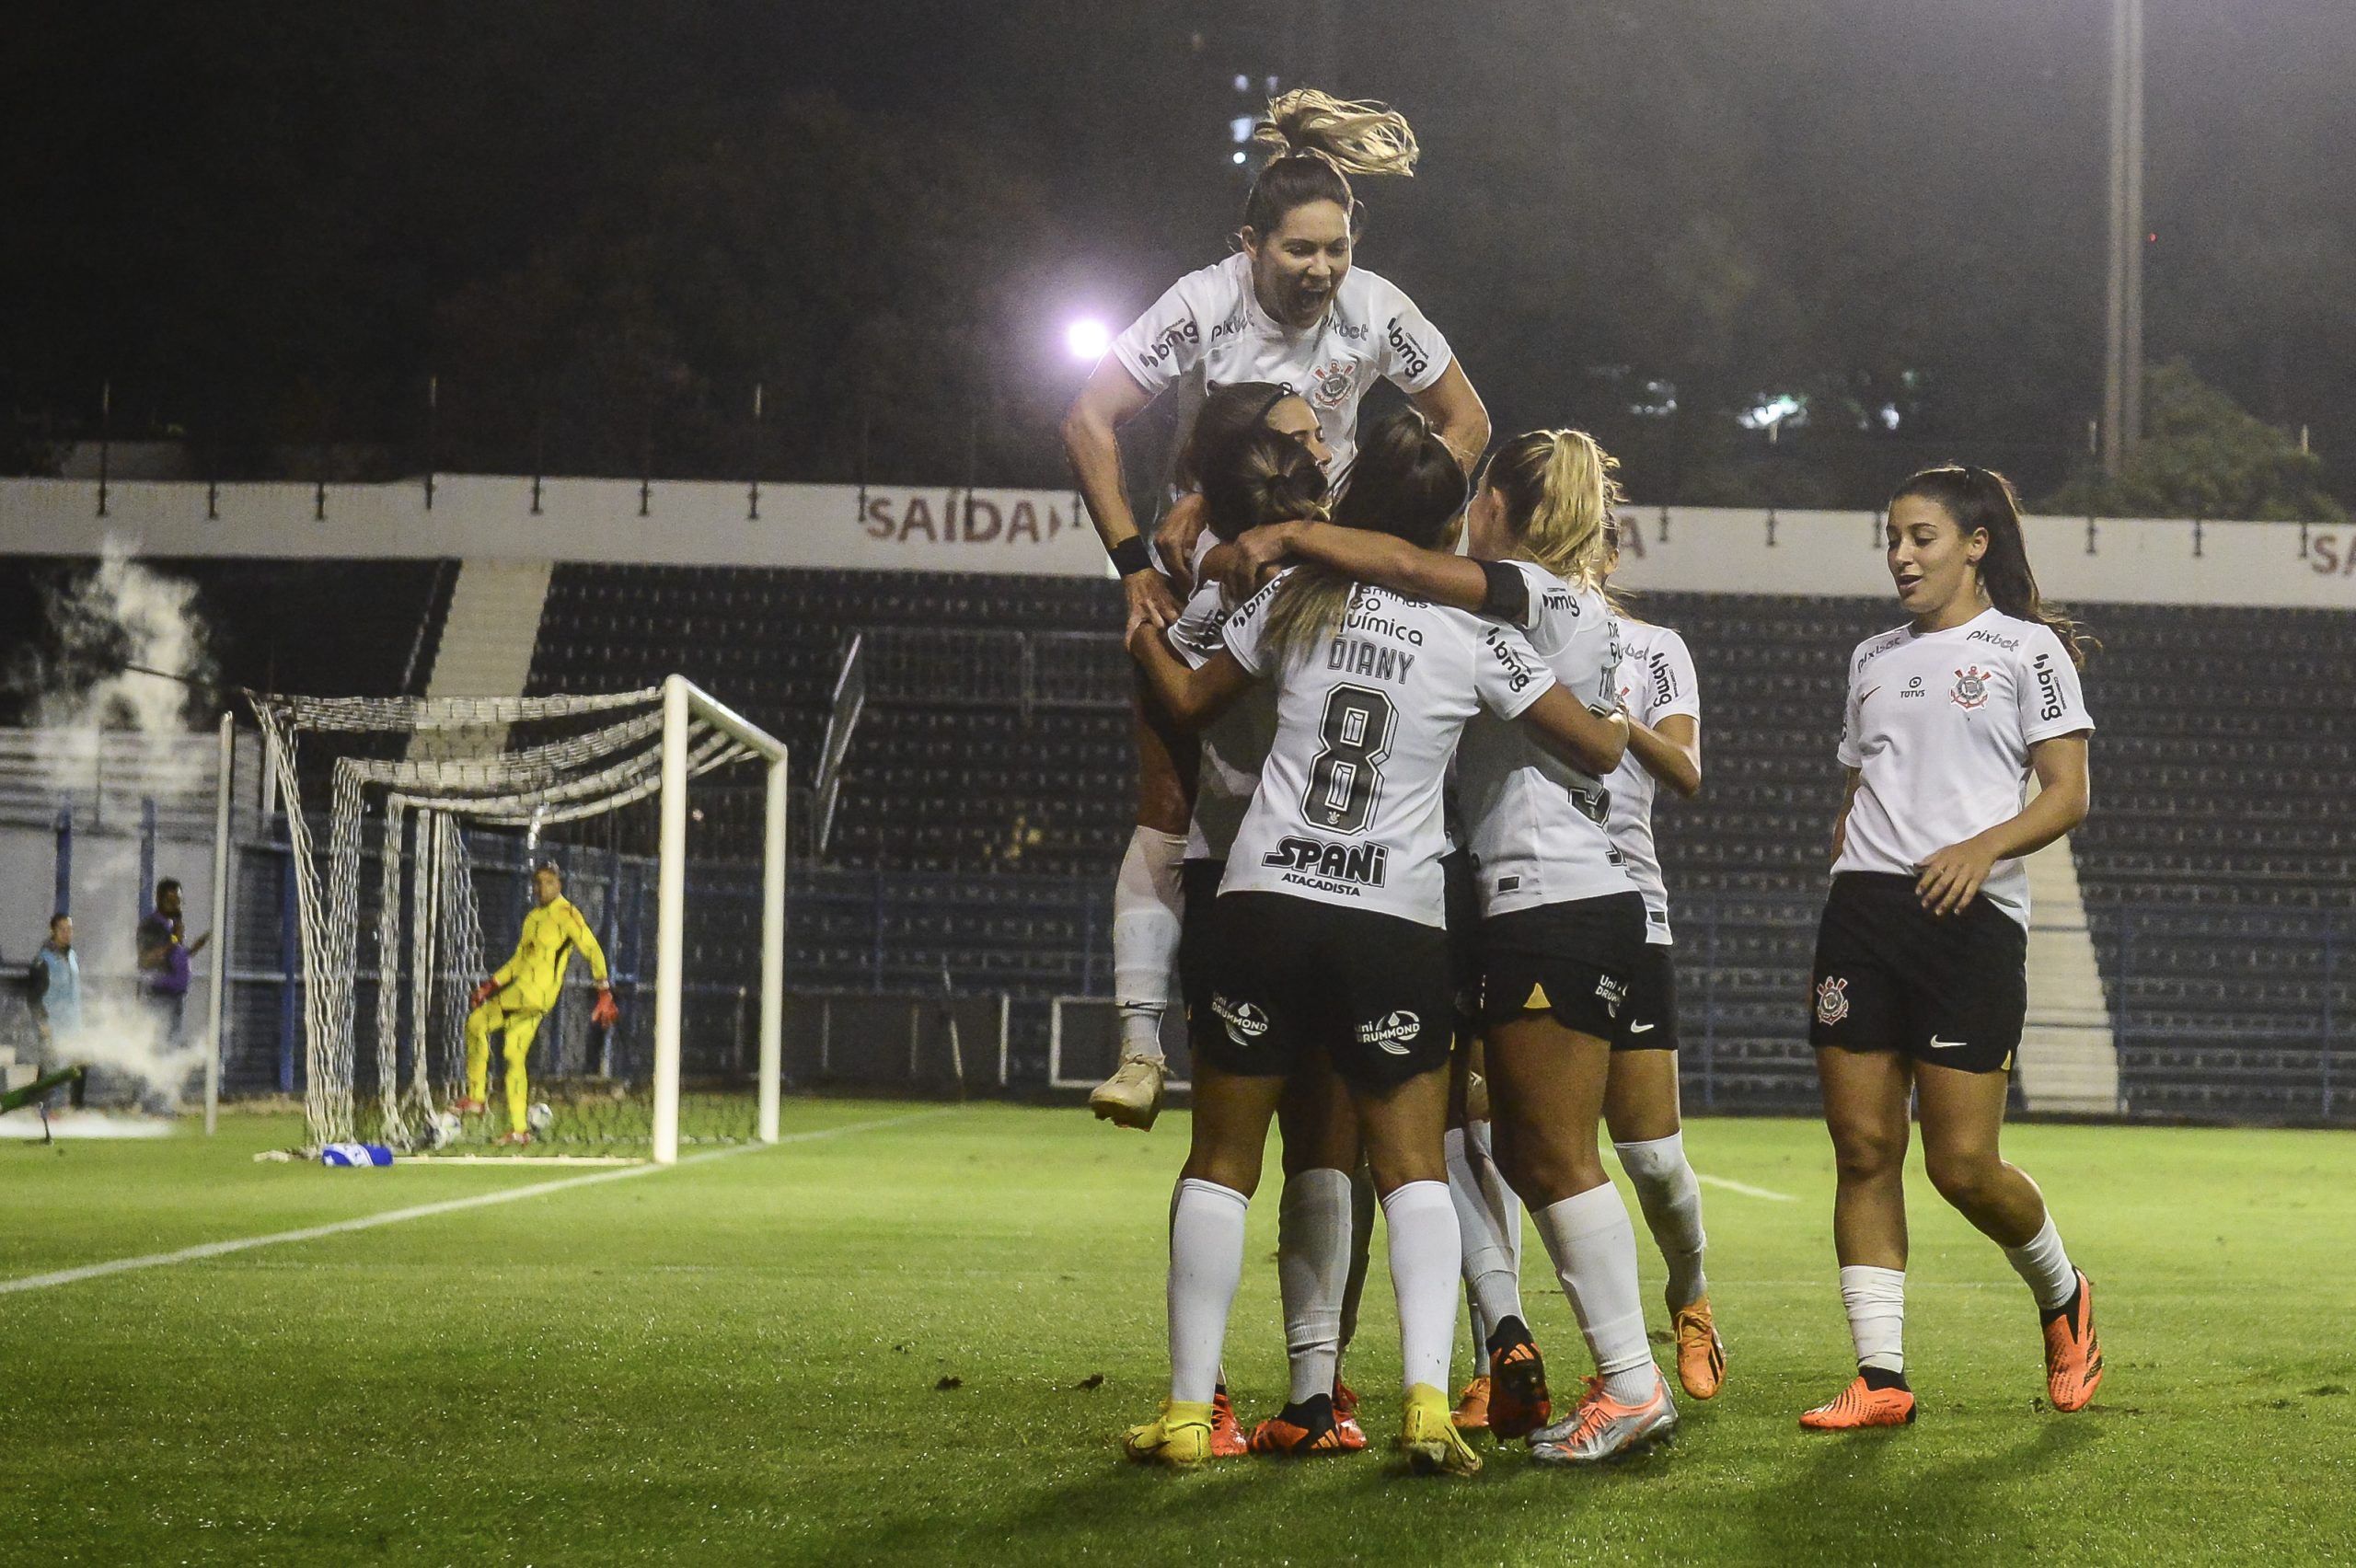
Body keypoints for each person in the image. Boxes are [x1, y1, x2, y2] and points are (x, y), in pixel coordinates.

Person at [1121, 409, 1628, 1476]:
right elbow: (1593, 748)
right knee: (1410, 1172)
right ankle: (1430, 1402)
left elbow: (1192, 701)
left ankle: (1182, 1413)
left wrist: (1147, 643)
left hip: (1263, 902)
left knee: (1221, 1161)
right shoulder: (1477, 633)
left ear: (1348, 509)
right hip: (1394, 920)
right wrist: (1611, 703)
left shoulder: (1296, 597)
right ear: (1454, 521)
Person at [1230, 429, 1680, 1462]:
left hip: (1549, 899)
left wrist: (1285, 532)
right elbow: (1602, 739)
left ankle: (1630, 1382)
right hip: (1547, 897)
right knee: (1517, 1147)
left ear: (1497, 513)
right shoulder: (1570, 610)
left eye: (1478, 499)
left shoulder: (1524, 591)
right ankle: (1592, 1370)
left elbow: (1394, 561)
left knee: (1554, 1154)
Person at [1068, 87, 1489, 1129]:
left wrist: (1380, 531)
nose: (1320, 270)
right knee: (1168, 811)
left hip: (1319, 583)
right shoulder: (1203, 303)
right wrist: (1132, 563)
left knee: (1373, 795)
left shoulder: (1378, 309)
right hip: (1207, 578)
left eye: (1335, 249)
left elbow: (1466, 423)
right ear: (1248, 244)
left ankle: (1449, 1033)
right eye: (1299, 251)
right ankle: (1136, 1048)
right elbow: (1086, 417)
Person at [1802, 464, 2103, 1430]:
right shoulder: (1871, 657)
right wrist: (1850, 856)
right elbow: (1862, 784)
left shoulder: (2027, 648)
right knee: (1862, 1148)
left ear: (1974, 544)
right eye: (1891, 537)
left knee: (1961, 1166)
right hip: (1863, 916)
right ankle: (1881, 1379)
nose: (1900, 555)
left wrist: (1980, 847)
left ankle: (2062, 1294)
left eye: (1920, 537)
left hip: (1969, 922)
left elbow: (2066, 792)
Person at [1088, 383, 1332, 1129]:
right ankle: (1139, 1047)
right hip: (1322, 867)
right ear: (1257, 462)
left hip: (1249, 860)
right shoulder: (1262, 569)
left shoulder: (1243, 553)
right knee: (1332, 1136)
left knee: (1245, 1146)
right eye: (1302, 440)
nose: (1323, 449)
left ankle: (1138, 1046)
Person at [1596, 523, 1725, 1401]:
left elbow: (1684, 768)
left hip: (1628, 913)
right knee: (1520, 1151)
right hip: (1513, 908)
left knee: (1650, 1159)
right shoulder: (1500, 627)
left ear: (1609, 553)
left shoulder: (1653, 648)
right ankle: (1512, 1356)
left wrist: (1617, 725)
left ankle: (1691, 1295)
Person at [457, 861, 618, 1146]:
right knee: (512, 1055)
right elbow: (520, 960)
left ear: (559, 885)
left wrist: (603, 990)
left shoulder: (566, 913)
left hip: (534, 993)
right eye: (539, 882)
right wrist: (490, 985)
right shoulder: (533, 918)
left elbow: (591, 948)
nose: (544, 887)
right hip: (525, 993)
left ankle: (477, 1097)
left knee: (477, 1022)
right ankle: (520, 1129)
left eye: (550, 881)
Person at [136, 878, 209, 1045]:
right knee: (158, 1047)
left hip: (175, 997)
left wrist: (194, 949)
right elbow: (145, 960)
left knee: (171, 1046)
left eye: (179, 901)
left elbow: (174, 957)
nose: (177, 906)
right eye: (172, 901)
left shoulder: (172, 925)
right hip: (158, 998)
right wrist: (175, 939)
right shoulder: (152, 926)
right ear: (160, 900)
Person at [27, 914, 84, 1073]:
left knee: (77, 1070)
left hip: (73, 1027)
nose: (67, 934)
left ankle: (74, 1099)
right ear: (53, 931)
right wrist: (42, 1025)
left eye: (69, 929)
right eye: (62, 929)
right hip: (53, 1028)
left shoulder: (72, 956)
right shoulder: (43, 961)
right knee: (50, 1072)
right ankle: (42, 1098)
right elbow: (33, 998)